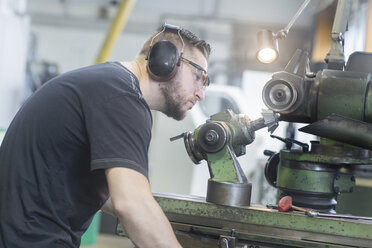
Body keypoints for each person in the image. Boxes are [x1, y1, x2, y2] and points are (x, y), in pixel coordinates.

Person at [0, 23, 211, 248]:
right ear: (166, 60)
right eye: (198, 77)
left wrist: (152, 211)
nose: (201, 94)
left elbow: (100, 193)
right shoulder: (122, 98)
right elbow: (130, 205)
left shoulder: (110, 85)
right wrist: (141, 207)